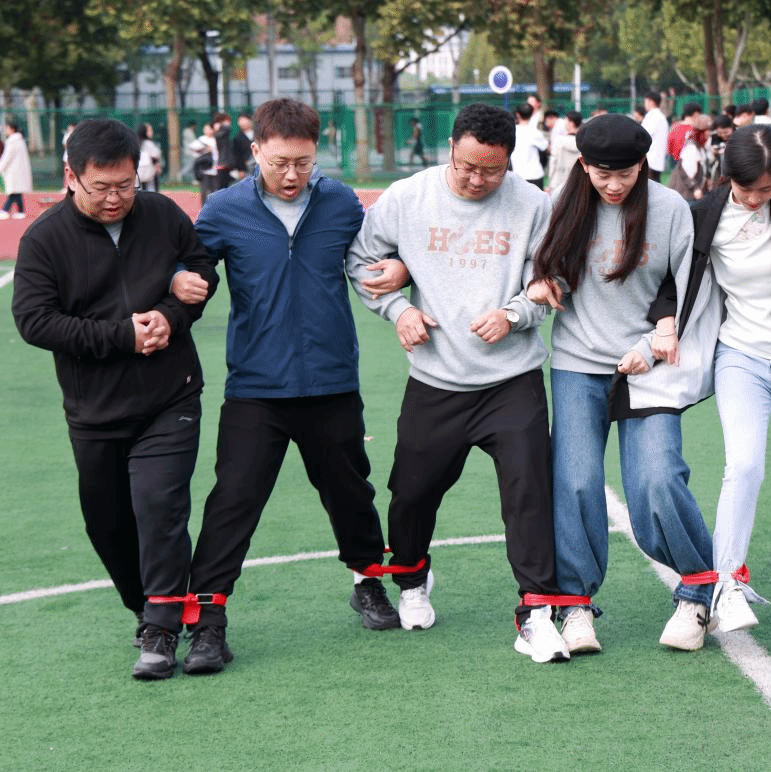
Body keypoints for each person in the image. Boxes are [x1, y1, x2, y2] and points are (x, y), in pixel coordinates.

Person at [346, 102, 572, 663]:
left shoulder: (533, 205)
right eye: (467, 166)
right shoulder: (407, 197)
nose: (476, 179)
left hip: (511, 381)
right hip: (436, 379)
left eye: (491, 170)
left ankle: (535, 612)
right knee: (412, 493)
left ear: (510, 160)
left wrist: (515, 314)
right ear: (450, 148)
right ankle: (412, 578)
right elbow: (361, 260)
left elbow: (553, 280)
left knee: (528, 494)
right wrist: (398, 309)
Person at [181, 98, 399, 676]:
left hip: (331, 381)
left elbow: (375, 258)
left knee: (350, 491)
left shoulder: (341, 203)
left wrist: (400, 269)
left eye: (303, 162)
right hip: (257, 386)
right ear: (255, 152)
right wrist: (181, 283)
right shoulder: (223, 209)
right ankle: (208, 620)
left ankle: (369, 582)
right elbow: (192, 265)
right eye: (279, 162)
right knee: (233, 500)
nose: (292, 174)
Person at [11, 118, 218, 680]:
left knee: (159, 505)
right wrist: (121, 335)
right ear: (71, 177)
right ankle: (148, 610)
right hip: (95, 410)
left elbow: (199, 268)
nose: (115, 198)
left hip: (170, 396)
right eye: (101, 187)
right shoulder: (44, 239)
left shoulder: (163, 214)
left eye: (126, 185)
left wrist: (174, 311)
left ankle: (162, 628)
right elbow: (34, 320)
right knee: (106, 523)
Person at [527, 113, 718, 653]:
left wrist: (655, 340)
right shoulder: (558, 206)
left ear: (643, 165)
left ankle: (699, 590)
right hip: (578, 363)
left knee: (658, 477)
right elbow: (542, 270)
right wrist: (540, 283)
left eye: (626, 174)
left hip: (649, 364)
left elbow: (689, 287)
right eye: (602, 174)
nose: (614, 185)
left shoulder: (670, 209)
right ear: (583, 165)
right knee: (576, 482)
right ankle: (575, 606)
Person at [659, 124, 771, 645]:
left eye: (766, 188)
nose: (756, 198)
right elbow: (670, 279)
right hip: (740, 358)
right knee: (743, 467)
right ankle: (728, 584)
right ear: (727, 178)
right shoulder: (703, 215)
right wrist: (665, 325)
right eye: (746, 189)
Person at [0, 118, 32, 220]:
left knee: (13, 191)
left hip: (14, 170)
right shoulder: (20, 140)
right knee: (17, 191)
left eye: (7, 128)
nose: (5, 130)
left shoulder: (12, 141)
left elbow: (7, 156)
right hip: (18, 170)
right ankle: (21, 211)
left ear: (12, 129)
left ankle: (5, 210)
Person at [510, 102, 548, 188]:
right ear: (532, 114)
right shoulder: (536, 133)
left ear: (517, 114)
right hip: (535, 175)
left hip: (517, 175)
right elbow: (545, 147)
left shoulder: (512, 131)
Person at [546, 110, 582, 193]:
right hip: (576, 181)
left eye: (566, 120)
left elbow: (553, 162)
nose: (564, 123)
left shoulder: (559, 140)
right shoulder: (582, 141)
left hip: (559, 180)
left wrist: (550, 182)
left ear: (571, 123)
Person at [136, 123, 163, 192]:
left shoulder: (136, 144)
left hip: (138, 172)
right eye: (150, 130)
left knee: (140, 191)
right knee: (151, 190)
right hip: (149, 172)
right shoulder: (149, 144)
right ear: (144, 132)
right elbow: (155, 156)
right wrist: (157, 166)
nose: (152, 132)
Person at [231, 113, 254, 179]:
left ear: (250, 121)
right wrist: (240, 169)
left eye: (244, 120)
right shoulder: (237, 138)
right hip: (246, 167)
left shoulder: (258, 134)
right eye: (240, 121)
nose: (243, 123)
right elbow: (237, 155)